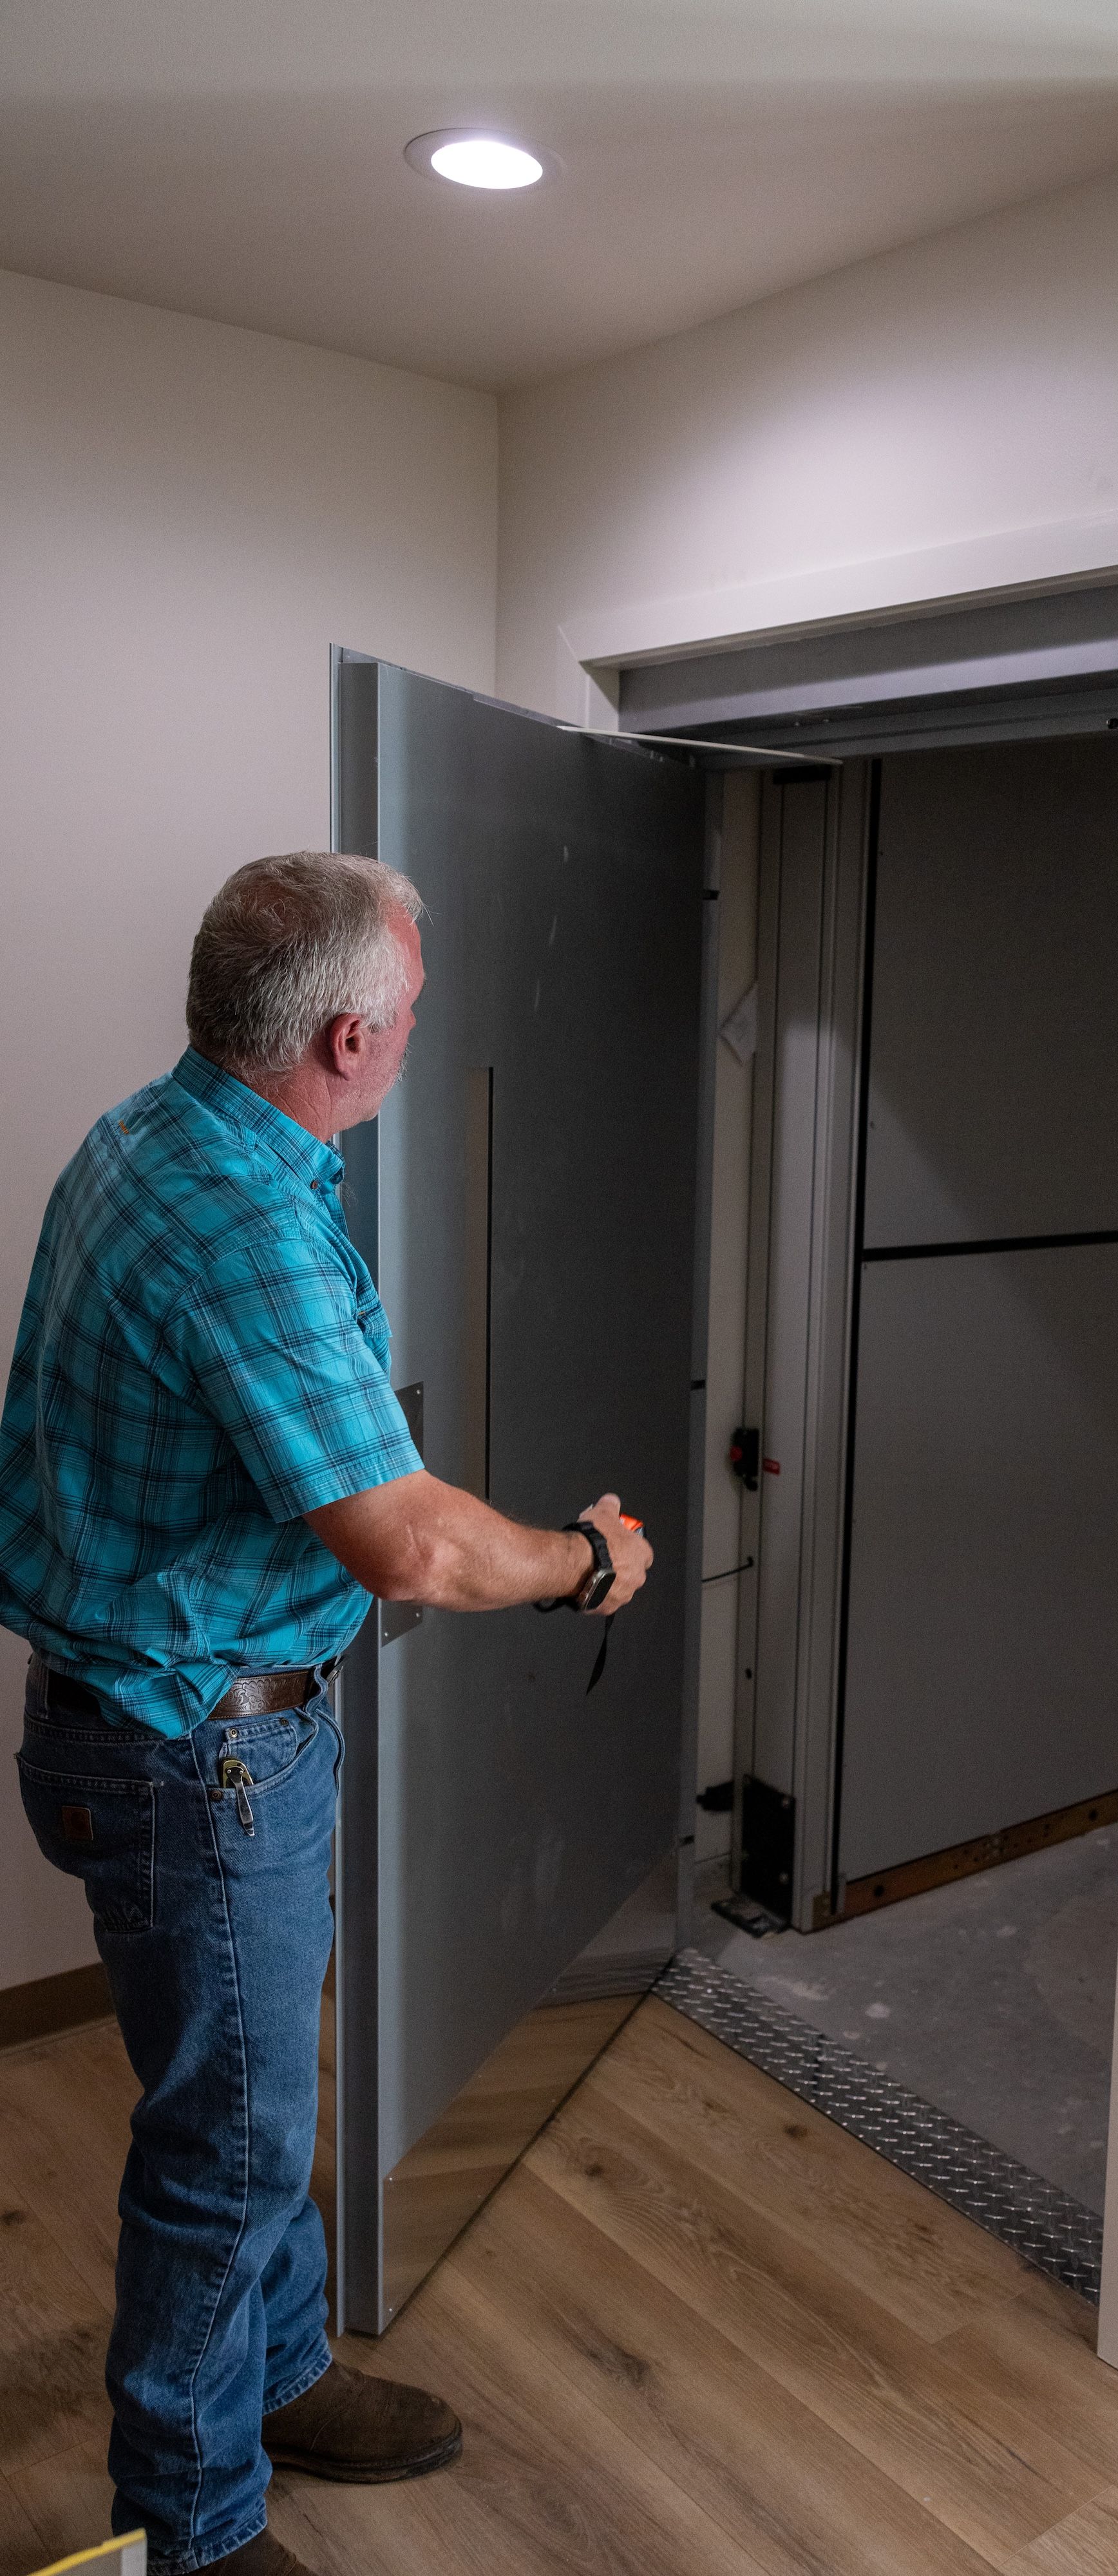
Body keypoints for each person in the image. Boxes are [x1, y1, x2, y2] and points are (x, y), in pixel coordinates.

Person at [0, 853, 652, 2576]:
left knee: (238, 2100)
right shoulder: (234, 1217)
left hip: (172, 1721)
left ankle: (278, 2376)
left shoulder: (162, 1137)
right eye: (417, 1015)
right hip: (194, 1752)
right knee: (223, 2153)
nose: (421, 1035)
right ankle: (194, 2531)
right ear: (351, 1033)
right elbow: (412, 1546)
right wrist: (583, 1561)